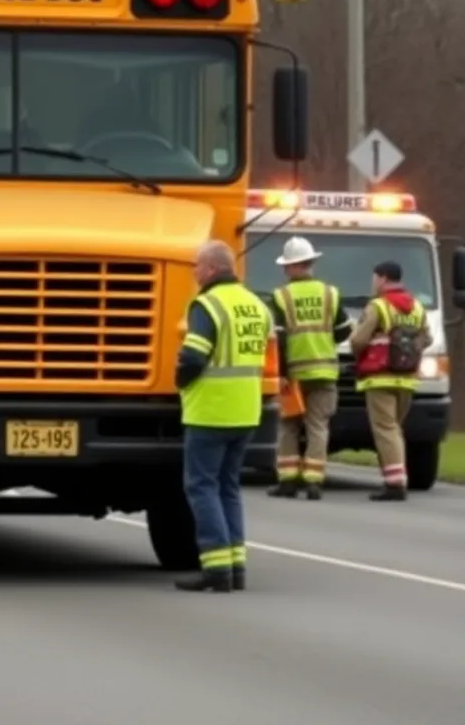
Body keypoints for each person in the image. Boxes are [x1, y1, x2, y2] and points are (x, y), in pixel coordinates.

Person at [174, 240, 273, 593]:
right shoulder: (256, 305)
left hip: (210, 410)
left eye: (197, 266)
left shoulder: (208, 305)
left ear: (213, 268)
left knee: (202, 487)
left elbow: (193, 356)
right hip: (246, 410)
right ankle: (236, 566)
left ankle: (216, 568)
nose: (195, 272)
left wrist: (180, 382)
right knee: (229, 487)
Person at [266, 236, 353, 500]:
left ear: (294, 266)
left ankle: (288, 481)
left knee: (288, 425)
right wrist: (323, 340)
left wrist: (280, 373)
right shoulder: (330, 293)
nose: (285, 270)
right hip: (324, 371)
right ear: (310, 263)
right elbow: (344, 330)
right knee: (318, 426)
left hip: (293, 374)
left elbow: (278, 338)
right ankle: (314, 481)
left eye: (286, 265)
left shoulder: (280, 296)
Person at [348, 261, 431, 501]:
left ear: (383, 278)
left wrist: (360, 352)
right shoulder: (417, 307)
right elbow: (427, 338)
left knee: (385, 429)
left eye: (375, 278)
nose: (373, 282)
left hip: (380, 378)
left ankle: (395, 484)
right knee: (394, 429)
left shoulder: (378, 306)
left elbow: (358, 341)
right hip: (407, 378)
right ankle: (395, 476)